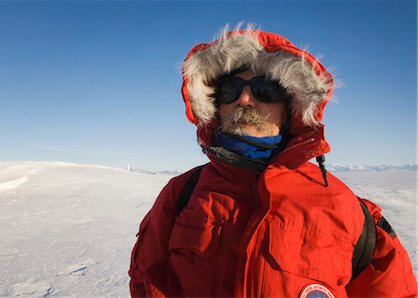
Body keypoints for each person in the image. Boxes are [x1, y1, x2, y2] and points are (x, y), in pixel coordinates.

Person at [129, 25, 417, 297]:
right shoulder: (181, 194)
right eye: (230, 89)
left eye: (264, 89)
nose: (244, 99)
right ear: (217, 104)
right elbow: (146, 278)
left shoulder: (345, 210)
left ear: (291, 105)